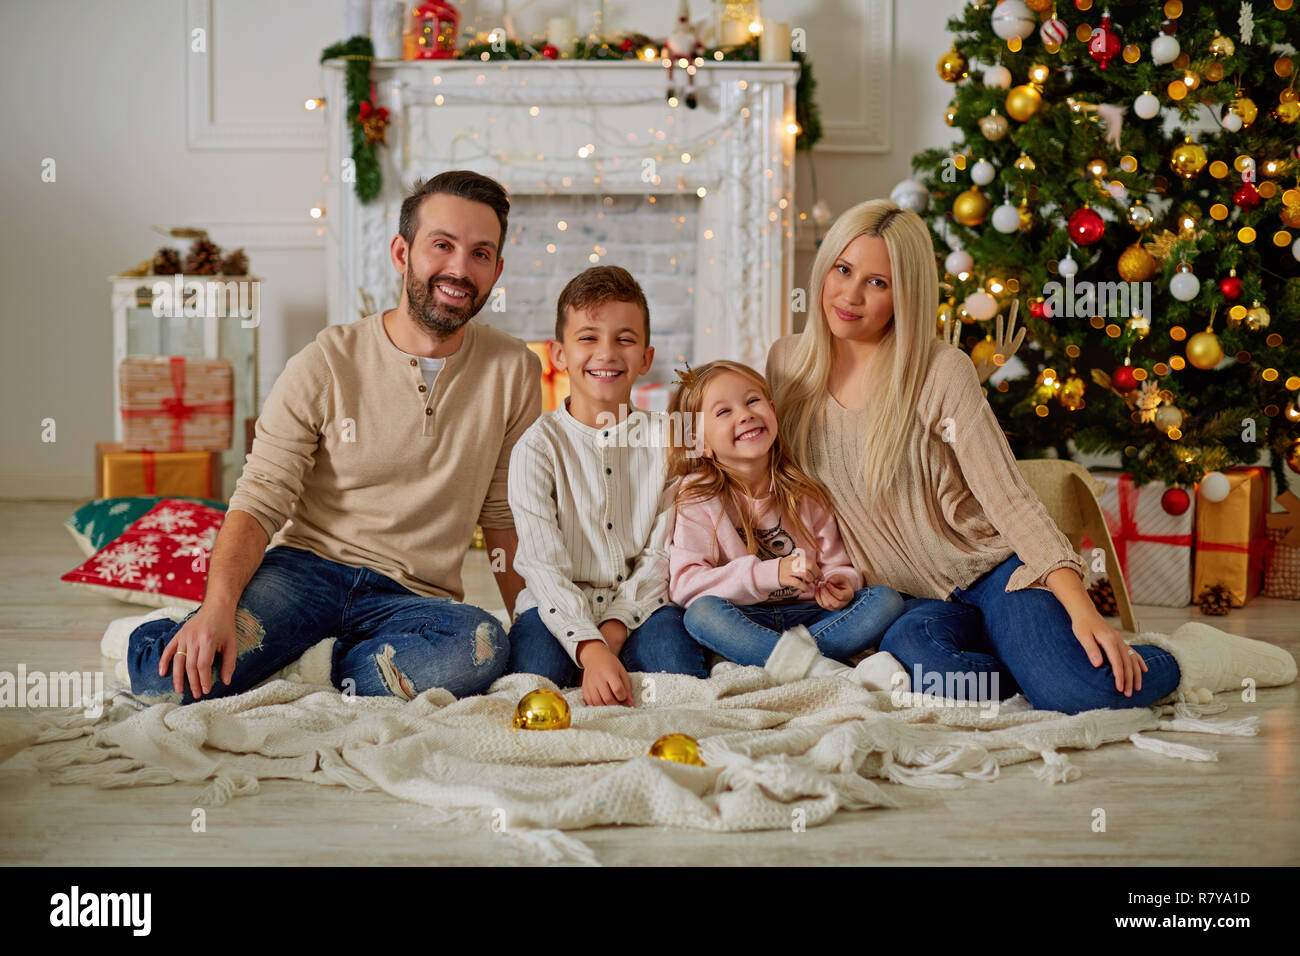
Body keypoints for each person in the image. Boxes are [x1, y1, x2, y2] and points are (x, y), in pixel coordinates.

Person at [765, 198, 1296, 714]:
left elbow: (1009, 497)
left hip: (992, 575)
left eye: (876, 282)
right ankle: (1029, 660)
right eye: (843, 269)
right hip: (904, 601)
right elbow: (764, 487)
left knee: (1079, 693)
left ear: (905, 295)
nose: (850, 294)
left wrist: (1081, 607)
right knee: (943, 681)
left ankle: (1191, 657)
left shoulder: (939, 370)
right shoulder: (788, 366)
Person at [126, 170, 541, 704]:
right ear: (402, 252)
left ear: (497, 270)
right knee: (164, 677)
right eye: (443, 245)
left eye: (481, 254)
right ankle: (237, 644)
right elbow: (259, 498)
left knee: (481, 646)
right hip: (305, 576)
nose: (460, 268)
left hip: (416, 597)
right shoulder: (326, 361)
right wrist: (217, 609)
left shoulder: (515, 370)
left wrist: (529, 623)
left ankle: (312, 668)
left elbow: (503, 516)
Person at [506, 266, 709, 706]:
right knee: (532, 679)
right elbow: (544, 566)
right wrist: (588, 646)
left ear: (645, 358)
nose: (607, 353)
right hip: (555, 606)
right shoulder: (536, 448)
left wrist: (614, 630)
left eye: (624, 339)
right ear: (559, 355)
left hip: (644, 605)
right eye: (588, 338)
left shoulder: (670, 441)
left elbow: (663, 553)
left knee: (679, 674)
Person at [666, 360, 905, 688]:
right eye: (724, 412)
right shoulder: (698, 496)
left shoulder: (804, 492)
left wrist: (839, 583)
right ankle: (828, 672)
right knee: (701, 614)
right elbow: (685, 585)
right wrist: (770, 574)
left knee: (886, 600)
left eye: (752, 401)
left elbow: (837, 565)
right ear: (699, 441)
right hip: (743, 618)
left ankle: (766, 663)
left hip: (808, 617)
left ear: (772, 410)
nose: (745, 414)